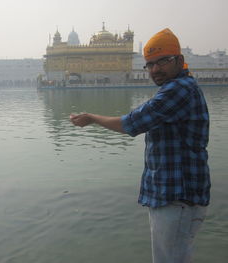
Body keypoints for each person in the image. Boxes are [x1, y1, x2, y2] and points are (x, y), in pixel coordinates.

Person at [70, 28, 210, 263]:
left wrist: (92, 118)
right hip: (174, 196)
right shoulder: (177, 88)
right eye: (150, 64)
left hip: (176, 197)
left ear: (179, 60)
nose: (156, 69)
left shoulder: (179, 89)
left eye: (163, 61)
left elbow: (131, 123)